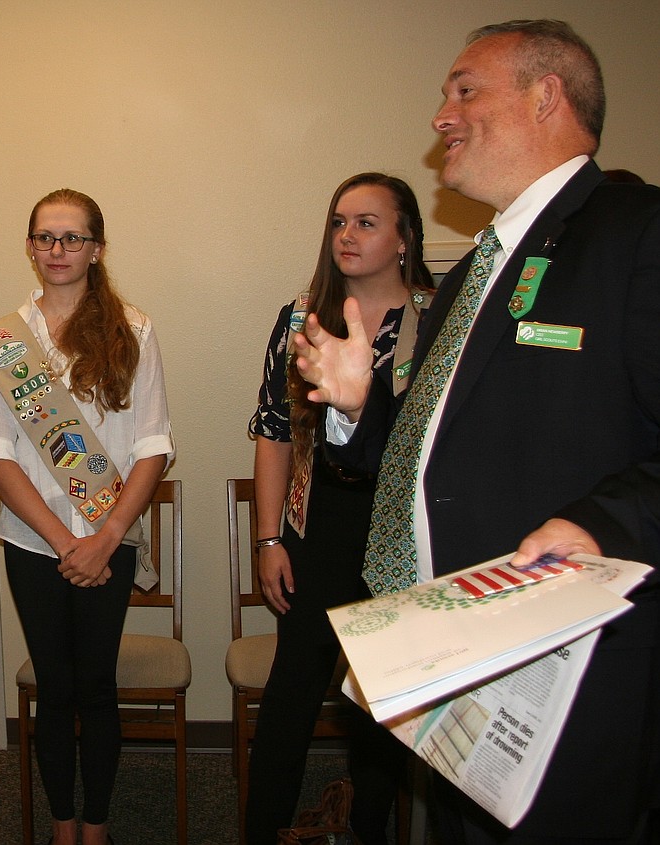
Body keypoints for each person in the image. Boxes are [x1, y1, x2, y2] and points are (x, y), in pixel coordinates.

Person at [293, 20, 660, 845]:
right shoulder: (471, 273)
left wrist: (601, 522)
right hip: (457, 661)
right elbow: (424, 454)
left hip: (568, 667)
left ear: (546, 95)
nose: (440, 115)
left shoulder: (635, 231)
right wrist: (355, 405)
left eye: (464, 90)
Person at [0, 189, 174, 845]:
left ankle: (97, 826)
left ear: (97, 247)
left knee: (96, 685)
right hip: (32, 541)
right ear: (30, 247)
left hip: (108, 539)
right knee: (54, 688)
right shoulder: (3, 340)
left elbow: (153, 445)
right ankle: (63, 824)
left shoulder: (134, 330)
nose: (57, 251)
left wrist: (107, 537)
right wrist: (65, 541)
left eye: (72, 237)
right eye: (45, 237)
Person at [245, 173, 432, 845]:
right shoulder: (302, 318)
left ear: (406, 237)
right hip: (316, 528)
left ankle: (367, 829)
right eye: (338, 222)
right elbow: (272, 432)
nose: (347, 235)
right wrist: (268, 541)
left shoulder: (437, 319)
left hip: (399, 538)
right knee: (291, 696)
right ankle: (262, 829)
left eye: (367, 222)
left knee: (380, 709)